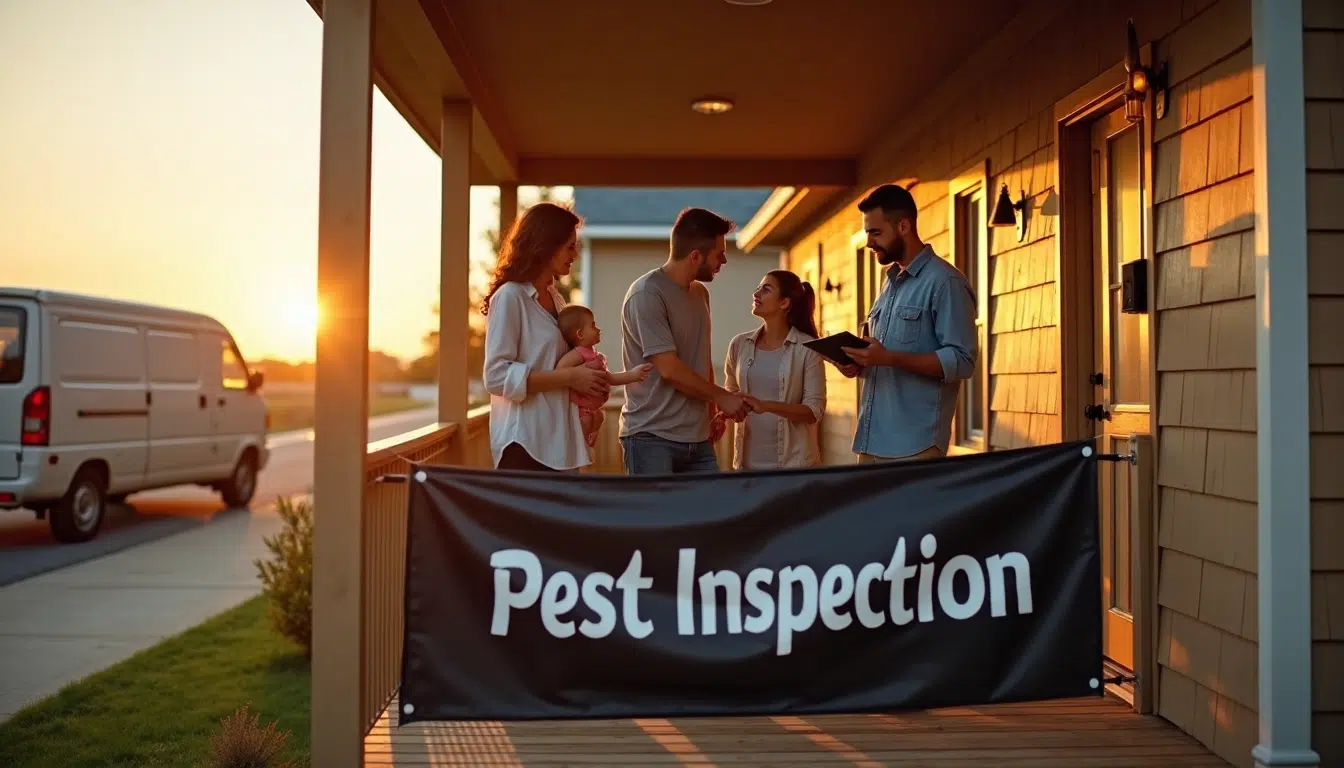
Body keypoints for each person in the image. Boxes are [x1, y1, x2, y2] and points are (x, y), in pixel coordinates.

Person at [834, 183, 977, 462]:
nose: (868, 242)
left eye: (876, 232)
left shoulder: (945, 282)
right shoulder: (888, 282)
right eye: (867, 233)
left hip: (915, 448)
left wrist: (888, 358)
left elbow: (962, 361)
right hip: (870, 442)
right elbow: (883, 357)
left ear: (903, 227)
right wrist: (858, 362)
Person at [618, 206, 749, 475]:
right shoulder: (646, 294)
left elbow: (701, 358)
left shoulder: (700, 294)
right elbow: (669, 369)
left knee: (710, 516)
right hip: (650, 439)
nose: (723, 261)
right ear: (695, 256)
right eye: (719, 254)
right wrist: (722, 396)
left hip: (698, 440)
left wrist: (712, 411)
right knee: (657, 519)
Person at [482, 202, 611, 471]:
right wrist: (570, 377)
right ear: (546, 245)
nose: (575, 254)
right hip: (525, 443)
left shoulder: (556, 299)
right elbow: (495, 376)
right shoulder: (510, 297)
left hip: (558, 444)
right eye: (569, 246)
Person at [721, 270, 827, 470]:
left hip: (794, 469)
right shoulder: (739, 345)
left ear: (784, 303)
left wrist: (767, 406)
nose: (757, 293)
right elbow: (731, 393)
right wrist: (726, 409)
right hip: (746, 468)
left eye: (766, 289)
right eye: (759, 288)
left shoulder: (808, 349)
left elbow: (814, 411)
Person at [553, 304, 652, 447]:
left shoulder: (594, 355)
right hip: (582, 404)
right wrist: (574, 377)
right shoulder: (578, 354)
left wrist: (634, 375)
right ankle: (580, 445)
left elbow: (610, 378)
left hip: (593, 406)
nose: (598, 329)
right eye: (593, 326)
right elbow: (561, 370)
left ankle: (589, 438)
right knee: (586, 421)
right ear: (580, 334)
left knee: (599, 417)